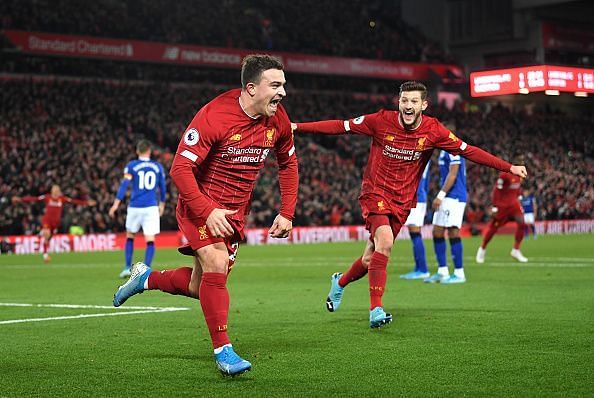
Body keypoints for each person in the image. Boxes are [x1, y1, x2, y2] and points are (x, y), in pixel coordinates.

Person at [112, 55, 298, 376]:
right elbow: (180, 168)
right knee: (216, 263)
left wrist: (286, 211)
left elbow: (288, 164)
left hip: (234, 214)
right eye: (276, 85)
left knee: (203, 286)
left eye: (283, 84)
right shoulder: (214, 116)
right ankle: (224, 351)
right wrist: (207, 210)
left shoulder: (278, 119)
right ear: (251, 88)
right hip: (199, 205)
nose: (283, 92)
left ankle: (146, 278)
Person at [292, 81, 527, 328]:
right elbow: (341, 126)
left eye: (414, 101)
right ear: (399, 102)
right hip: (375, 193)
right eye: (404, 100)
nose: (408, 105)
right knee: (386, 242)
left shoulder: (434, 130)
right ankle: (376, 310)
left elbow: (469, 151)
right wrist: (298, 126)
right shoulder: (381, 121)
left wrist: (508, 166)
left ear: (423, 105)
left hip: (403, 201)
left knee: (370, 259)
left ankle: (339, 283)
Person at [109, 140, 167, 278]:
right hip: (151, 206)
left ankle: (127, 268)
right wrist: (162, 204)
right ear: (149, 151)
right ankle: (146, 270)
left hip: (135, 206)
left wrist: (116, 203)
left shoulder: (132, 166)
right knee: (150, 239)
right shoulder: (157, 167)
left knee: (130, 236)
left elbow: (124, 185)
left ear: (137, 151)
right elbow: (163, 187)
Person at [12, 185, 96, 262]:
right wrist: (21, 199)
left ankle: (41, 234)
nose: (56, 192)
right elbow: (35, 199)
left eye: (58, 190)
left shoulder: (62, 199)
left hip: (55, 223)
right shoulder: (47, 197)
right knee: (47, 234)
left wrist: (87, 203)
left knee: (48, 239)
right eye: (55, 190)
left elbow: (73, 201)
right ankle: (45, 255)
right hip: (47, 220)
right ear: (52, 191)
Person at [425, 149, 467, 284]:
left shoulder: (453, 149)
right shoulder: (443, 151)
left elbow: (453, 174)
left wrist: (440, 195)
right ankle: (442, 271)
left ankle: (459, 273)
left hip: (455, 197)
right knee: (437, 232)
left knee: (453, 232)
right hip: (448, 196)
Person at [476, 155, 528, 263]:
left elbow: (517, 190)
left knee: (522, 223)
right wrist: (495, 207)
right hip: (502, 206)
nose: (523, 162)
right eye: (520, 161)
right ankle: (482, 248)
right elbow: (496, 191)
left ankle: (516, 250)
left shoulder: (520, 175)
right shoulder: (505, 175)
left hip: (514, 205)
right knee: (494, 228)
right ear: (515, 162)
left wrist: (519, 198)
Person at [399, 161, 431, 280]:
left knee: (415, 232)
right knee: (414, 233)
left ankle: (423, 269)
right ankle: (418, 268)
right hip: (418, 196)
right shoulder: (425, 157)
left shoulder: (416, 156)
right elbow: (427, 181)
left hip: (415, 197)